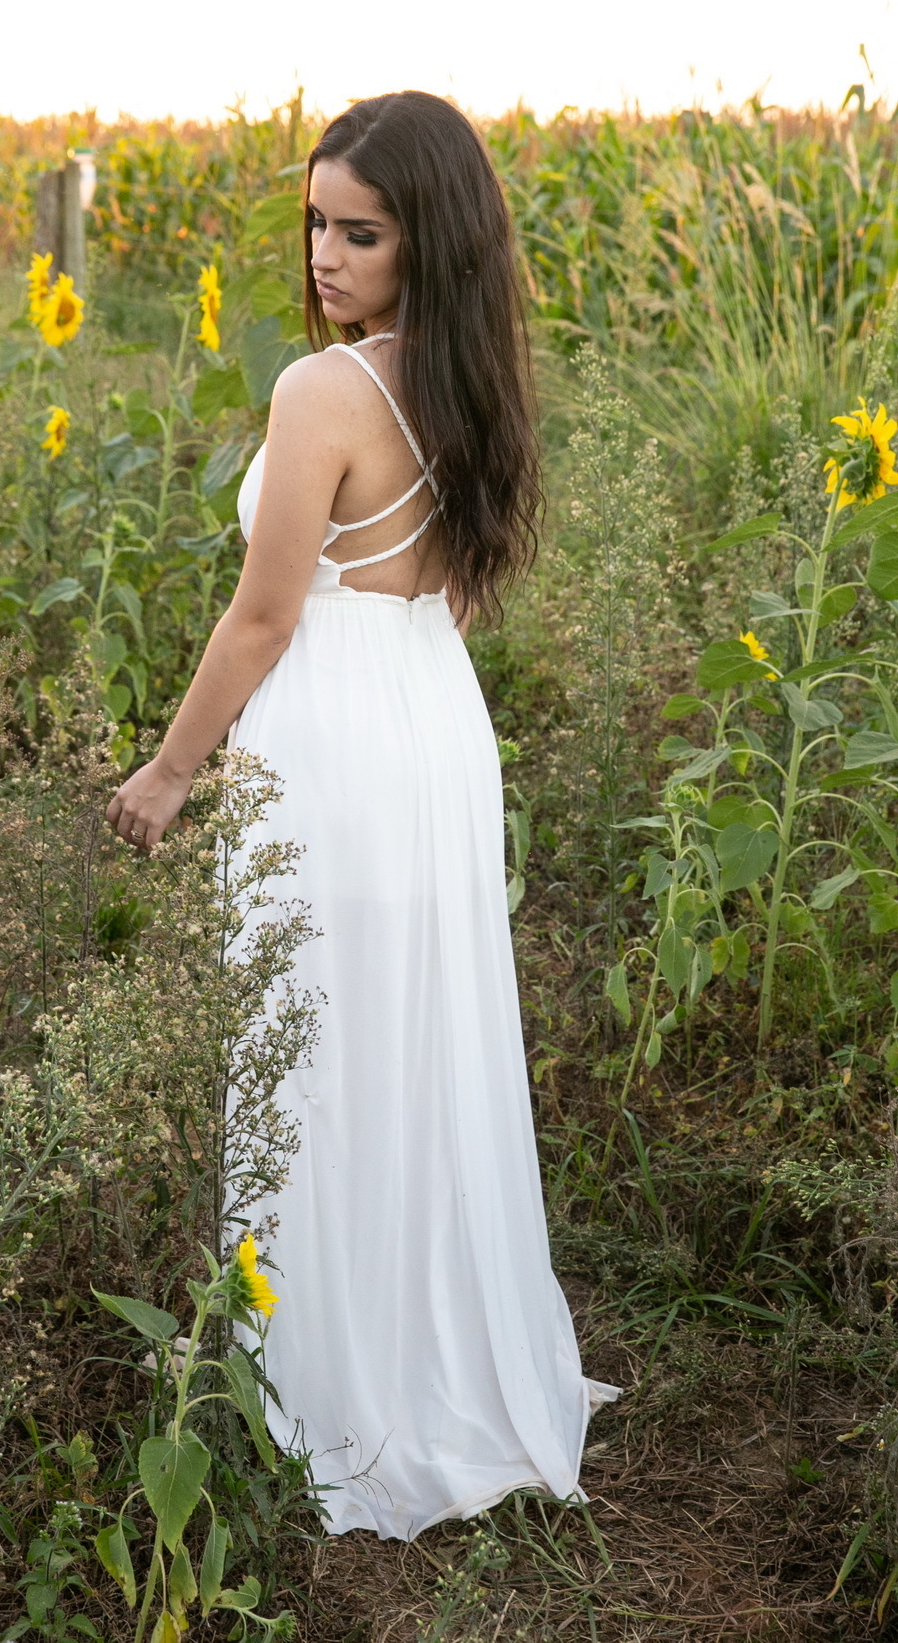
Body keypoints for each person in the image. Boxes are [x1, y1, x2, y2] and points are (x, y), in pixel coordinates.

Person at [106, 90, 617, 1542]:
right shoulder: (475, 375)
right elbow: (457, 586)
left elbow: (265, 617)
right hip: (431, 719)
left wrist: (168, 771)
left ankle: (326, 1373)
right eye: (317, 224)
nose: (326, 256)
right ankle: (428, 1342)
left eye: (363, 233)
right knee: (414, 1028)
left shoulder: (321, 391)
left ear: (427, 239)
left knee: (316, 1039)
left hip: (331, 729)